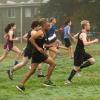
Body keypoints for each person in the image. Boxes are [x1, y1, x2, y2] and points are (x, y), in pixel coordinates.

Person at [16, 19, 56, 92]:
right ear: (43, 24)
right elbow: (31, 39)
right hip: (37, 53)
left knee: (50, 64)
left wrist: (52, 45)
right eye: (47, 24)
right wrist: (38, 48)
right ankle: (21, 84)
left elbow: (44, 44)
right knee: (34, 70)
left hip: (40, 53)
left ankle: (21, 84)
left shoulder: (44, 32)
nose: (49, 25)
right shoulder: (40, 32)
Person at [65, 20, 99, 84]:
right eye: (88, 25)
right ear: (85, 26)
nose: (90, 26)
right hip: (78, 53)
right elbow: (85, 43)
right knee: (75, 68)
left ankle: (79, 68)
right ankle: (68, 80)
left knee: (92, 61)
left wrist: (76, 39)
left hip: (82, 51)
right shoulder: (83, 33)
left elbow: (74, 37)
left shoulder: (82, 32)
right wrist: (94, 41)